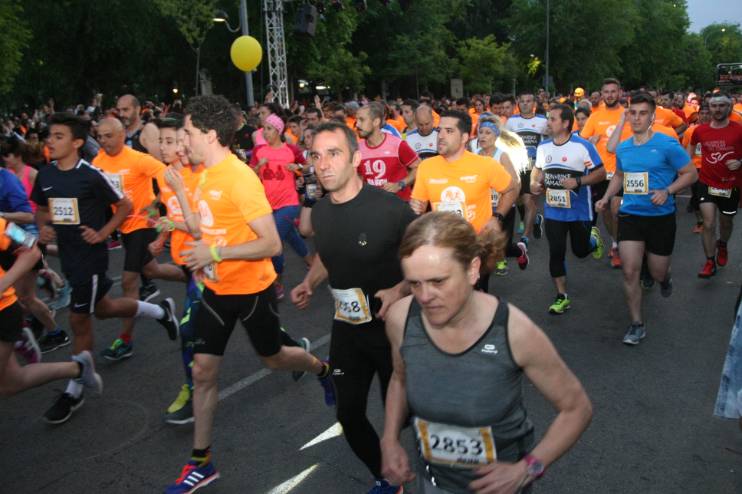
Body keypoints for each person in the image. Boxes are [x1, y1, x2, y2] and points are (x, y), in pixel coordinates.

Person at [164, 96, 329, 493]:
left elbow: (271, 243)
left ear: (209, 134)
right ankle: (201, 461)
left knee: (273, 358)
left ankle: (324, 370)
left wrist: (215, 253)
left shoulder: (239, 178)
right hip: (214, 289)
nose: (184, 140)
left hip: (252, 290)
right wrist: (182, 197)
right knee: (202, 371)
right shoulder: (204, 174)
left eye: (188, 132)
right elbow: (203, 228)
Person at [380, 212, 593, 494]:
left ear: (472, 269)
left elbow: (577, 408)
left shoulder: (514, 331)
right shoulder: (401, 320)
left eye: (438, 281)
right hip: (431, 483)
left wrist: (527, 468)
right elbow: (400, 378)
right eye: (415, 283)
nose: (425, 296)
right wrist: (390, 438)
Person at [291, 121, 417, 494]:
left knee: (403, 417)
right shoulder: (321, 213)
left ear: (356, 159)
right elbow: (329, 255)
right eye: (316, 155)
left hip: (392, 331)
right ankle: (386, 478)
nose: (323, 164)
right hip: (348, 329)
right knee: (348, 413)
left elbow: (430, 259)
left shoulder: (391, 210)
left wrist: (400, 288)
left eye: (334, 154)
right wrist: (309, 282)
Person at [32, 112, 179, 424]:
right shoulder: (47, 175)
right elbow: (42, 210)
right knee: (105, 307)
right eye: (49, 136)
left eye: (58, 136)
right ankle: (161, 311)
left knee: (80, 317)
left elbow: (131, 200)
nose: (50, 142)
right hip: (70, 254)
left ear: (76, 142)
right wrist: (43, 228)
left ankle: (75, 387)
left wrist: (105, 233)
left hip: (102, 250)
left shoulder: (94, 173)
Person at [596, 93, 697, 345]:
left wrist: (667, 191)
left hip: (660, 217)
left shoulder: (667, 144)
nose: (637, 118)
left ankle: (664, 277)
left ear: (652, 117)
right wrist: (606, 197)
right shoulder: (624, 147)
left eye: (643, 113)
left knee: (657, 271)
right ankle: (636, 324)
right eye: (633, 113)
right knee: (630, 271)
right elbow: (619, 175)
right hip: (631, 215)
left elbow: (690, 174)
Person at [93, 117, 187, 360]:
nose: (103, 141)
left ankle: (125, 340)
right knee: (152, 270)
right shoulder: (97, 162)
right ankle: (192, 277)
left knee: (129, 280)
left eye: (108, 136)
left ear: (121, 135)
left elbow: (169, 176)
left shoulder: (137, 159)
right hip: (123, 227)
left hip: (143, 225)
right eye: (99, 136)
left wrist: (157, 204)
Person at [410, 110, 518, 293]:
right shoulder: (427, 167)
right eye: (439, 130)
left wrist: (497, 217)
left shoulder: (485, 165)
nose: (441, 136)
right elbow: (417, 206)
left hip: (476, 245)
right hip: (442, 246)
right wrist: (416, 207)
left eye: (449, 131)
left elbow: (512, 189)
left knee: (473, 296)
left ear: (464, 137)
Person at [0, 216, 102, 399]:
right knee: (11, 383)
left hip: (3, 312)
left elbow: (32, 248)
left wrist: (4, 283)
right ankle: (78, 369)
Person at [531, 104, 605, 314]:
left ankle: (593, 240)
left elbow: (600, 173)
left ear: (565, 123)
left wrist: (578, 181)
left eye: (553, 119)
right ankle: (561, 296)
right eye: (548, 118)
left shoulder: (582, 146)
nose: (548, 122)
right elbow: (538, 171)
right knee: (556, 251)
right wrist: (534, 183)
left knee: (580, 251)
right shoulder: (543, 146)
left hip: (579, 210)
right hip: (553, 210)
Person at [250, 113, 312, 299]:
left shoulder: (291, 150)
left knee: (274, 239)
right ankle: (312, 261)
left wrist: (297, 168)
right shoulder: (259, 150)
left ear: (278, 131)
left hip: (289, 203)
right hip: (267, 205)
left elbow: (308, 166)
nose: (265, 132)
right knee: (291, 235)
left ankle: (277, 280)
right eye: (264, 129)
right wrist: (258, 167)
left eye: (269, 129)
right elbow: (249, 174)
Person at [690, 94, 742, 278]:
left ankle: (723, 244)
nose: (717, 109)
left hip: (730, 184)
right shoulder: (700, 130)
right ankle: (710, 261)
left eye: (722, 105)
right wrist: (687, 171)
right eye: (714, 106)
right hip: (706, 182)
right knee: (709, 223)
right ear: (709, 108)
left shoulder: (739, 129)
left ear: (729, 108)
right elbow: (689, 151)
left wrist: (740, 162)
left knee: (726, 222)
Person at [581, 78, 626, 267]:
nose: (610, 95)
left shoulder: (627, 114)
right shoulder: (595, 116)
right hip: (601, 173)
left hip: (622, 172)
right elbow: (582, 141)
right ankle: (615, 243)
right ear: (602, 94)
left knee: (616, 209)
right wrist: (589, 141)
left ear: (620, 93)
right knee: (606, 211)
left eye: (613, 91)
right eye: (606, 92)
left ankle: (623, 246)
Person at [476, 116, 529, 275]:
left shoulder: (502, 156)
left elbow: (515, 182)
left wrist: (505, 194)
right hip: (483, 207)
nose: (483, 136)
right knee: (483, 243)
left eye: (488, 133)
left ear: (496, 136)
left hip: (504, 207)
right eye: (481, 132)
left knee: (503, 246)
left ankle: (519, 251)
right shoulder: (475, 156)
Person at [505, 90, 548, 246]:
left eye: (528, 101)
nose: (525, 104)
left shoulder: (543, 121)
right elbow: (505, 143)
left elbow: (550, 142)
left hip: (535, 167)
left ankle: (524, 239)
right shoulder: (512, 121)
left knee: (529, 200)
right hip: (516, 166)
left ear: (534, 104)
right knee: (518, 199)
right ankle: (535, 219)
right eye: (522, 101)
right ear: (518, 103)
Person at [357, 102, 420, 201]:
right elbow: (358, 177)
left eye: (362, 120)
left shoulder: (397, 144)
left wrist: (400, 184)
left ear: (376, 122)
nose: (357, 124)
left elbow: (419, 167)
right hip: (372, 205)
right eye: (357, 120)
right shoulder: (357, 149)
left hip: (399, 205)